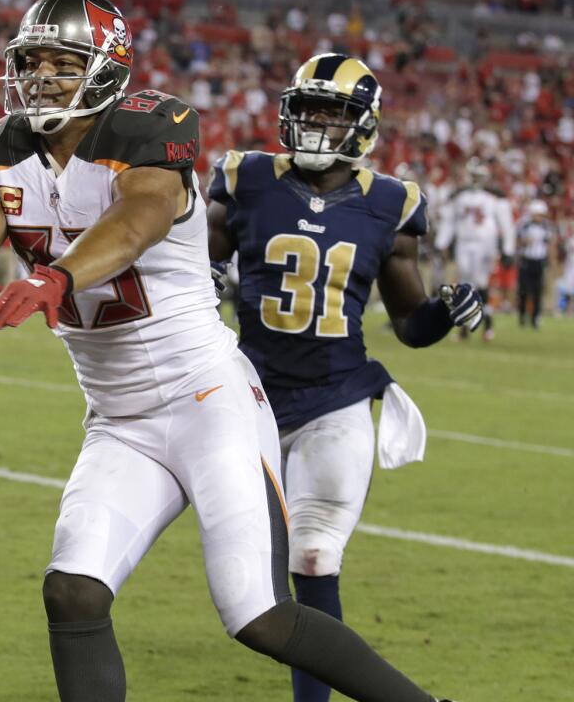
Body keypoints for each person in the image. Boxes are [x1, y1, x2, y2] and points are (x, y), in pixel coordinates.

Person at [0, 0, 457, 702]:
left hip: (207, 400)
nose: (42, 77)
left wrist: (56, 279)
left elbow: (140, 217)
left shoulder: (149, 131)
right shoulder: (1, 151)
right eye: (32, 61)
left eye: (63, 61)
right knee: (73, 592)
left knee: (256, 614)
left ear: (106, 68)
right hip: (119, 421)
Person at [205, 53, 483, 702]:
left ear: (363, 125)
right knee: (249, 586)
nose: (313, 124)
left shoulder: (392, 203)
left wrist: (446, 310)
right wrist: (202, 275)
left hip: (337, 399)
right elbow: (194, 264)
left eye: (331, 113)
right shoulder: (245, 177)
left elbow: (410, 322)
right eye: (306, 110)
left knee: (314, 557)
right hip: (248, 399)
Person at [434, 159, 514, 340]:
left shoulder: (494, 198)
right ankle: (467, 326)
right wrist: (441, 244)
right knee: (466, 284)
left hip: (485, 244)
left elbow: (507, 226)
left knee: (481, 282)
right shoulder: (460, 197)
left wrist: (508, 249)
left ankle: (485, 324)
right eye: (474, 176)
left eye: (479, 176)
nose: (476, 180)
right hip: (464, 242)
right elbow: (449, 223)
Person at [516, 199, 554, 329]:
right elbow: (517, 242)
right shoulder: (523, 224)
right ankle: (522, 315)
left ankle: (535, 318)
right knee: (523, 290)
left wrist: (550, 261)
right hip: (526, 259)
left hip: (539, 261)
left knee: (538, 291)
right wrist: (524, 241)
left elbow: (549, 244)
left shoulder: (547, 226)